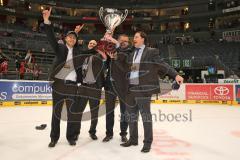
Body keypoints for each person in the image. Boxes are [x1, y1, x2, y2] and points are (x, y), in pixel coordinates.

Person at [106, 31, 184, 153]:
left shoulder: (151, 52)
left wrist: (176, 75)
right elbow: (125, 65)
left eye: (136, 37)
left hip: (143, 89)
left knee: (145, 117)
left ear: (143, 39)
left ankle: (147, 142)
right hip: (130, 89)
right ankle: (133, 139)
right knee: (131, 116)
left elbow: (162, 64)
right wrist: (115, 58)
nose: (134, 39)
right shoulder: (131, 53)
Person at [43, 7, 85, 147]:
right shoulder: (60, 48)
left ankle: (71, 137)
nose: (72, 39)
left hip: (72, 85)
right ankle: (54, 137)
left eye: (74, 37)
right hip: (59, 85)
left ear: (76, 40)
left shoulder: (78, 52)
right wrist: (46, 21)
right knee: (56, 113)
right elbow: (50, 39)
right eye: (69, 37)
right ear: (65, 38)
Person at [101, 34, 131, 143]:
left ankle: (123, 134)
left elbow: (124, 59)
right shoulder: (111, 50)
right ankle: (109, 133)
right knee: (109, 111)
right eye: (121, 41)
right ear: (117, 41)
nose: (124, 43)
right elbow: (105, 63)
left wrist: (117, 47)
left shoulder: (129, 51)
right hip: (110, 85)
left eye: (126, 41)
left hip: (123, 87)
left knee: (124, 112)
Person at [74, 39, 105, 141]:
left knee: (94, 112)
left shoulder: (99, 56)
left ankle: (92, 131)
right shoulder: (83, 56)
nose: (91, 44)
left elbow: (104, 58)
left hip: (95, 88)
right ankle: (76, 132)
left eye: (94, 44)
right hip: (83, 87)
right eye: (90, 43)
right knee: (79, 111)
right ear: (88, 45)